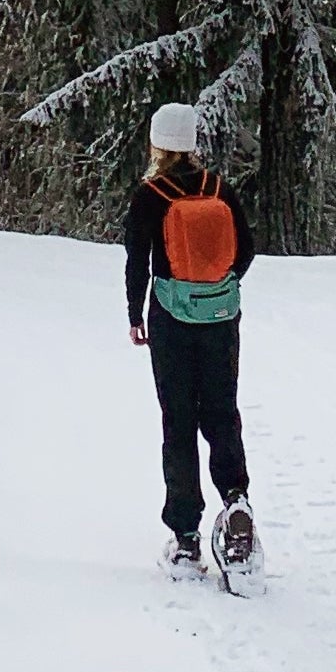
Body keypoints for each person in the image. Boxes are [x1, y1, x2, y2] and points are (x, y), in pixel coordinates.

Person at [125, 101, 256, 575]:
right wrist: (219, 286)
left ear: (159, 143)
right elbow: (246, 250)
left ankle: (186, 539)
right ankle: (236, 501)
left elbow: (137, 261)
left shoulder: (150, 195)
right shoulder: (219, 188)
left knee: (178, 421)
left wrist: (136, 312)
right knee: (222, 411)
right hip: (221, 317)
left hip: (170, 320)